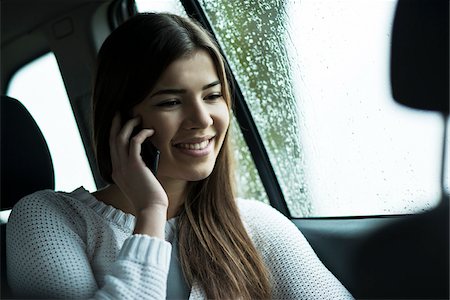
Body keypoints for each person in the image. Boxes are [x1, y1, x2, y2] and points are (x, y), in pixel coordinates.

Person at [6, 13, 354, 299]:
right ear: (122, 121)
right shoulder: (47, 219)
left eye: (213, 95)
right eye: (171, 101)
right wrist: (151, 212)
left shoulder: (255, 223)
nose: (202, 119)